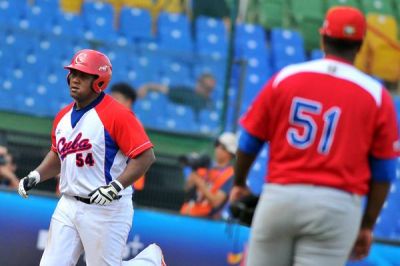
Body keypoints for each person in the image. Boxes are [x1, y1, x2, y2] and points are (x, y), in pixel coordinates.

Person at [230, 6, 399, 266]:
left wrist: (239, 182)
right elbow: (385, 171)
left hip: (281, 195)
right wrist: (366, 224)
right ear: (360, 44)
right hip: (336, 206)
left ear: (323, 38)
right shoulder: (376, 94)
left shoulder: (287, 77)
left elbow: (250, 138)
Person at [17, 49, 158, 266]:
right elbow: (58, 154)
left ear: (99, 81)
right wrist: (36, 175)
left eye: (83, 75)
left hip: (107, 208)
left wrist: (115, 187)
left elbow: (145, 156)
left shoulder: (117, 114)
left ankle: (150, 262)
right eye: (73, 73)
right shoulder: (62, 116)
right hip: (69, 203)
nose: (75, 79)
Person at [180, 132, 237, 219]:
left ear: (229, 152)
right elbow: (187, 188)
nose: (217, 148)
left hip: (206, 220)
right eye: (216, 144)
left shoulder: (230, 175)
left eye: (221, 146)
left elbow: (216, 202)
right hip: (187, 214)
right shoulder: (206, 165)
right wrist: (193, 170)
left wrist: (199, 181)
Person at [110, 82, 145, 191]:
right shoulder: (111, 119)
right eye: (111, 98)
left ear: (128, 101)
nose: (111, 101)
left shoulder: (131, 123)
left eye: (116, 98)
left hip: (120, 184)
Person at [138, 73, 216, 119]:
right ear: (198, 84)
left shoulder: (210, 103)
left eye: (210, 89)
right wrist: (147, 87)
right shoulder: (186, 93)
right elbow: (165, 89)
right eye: (206, 87)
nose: (208, 91)